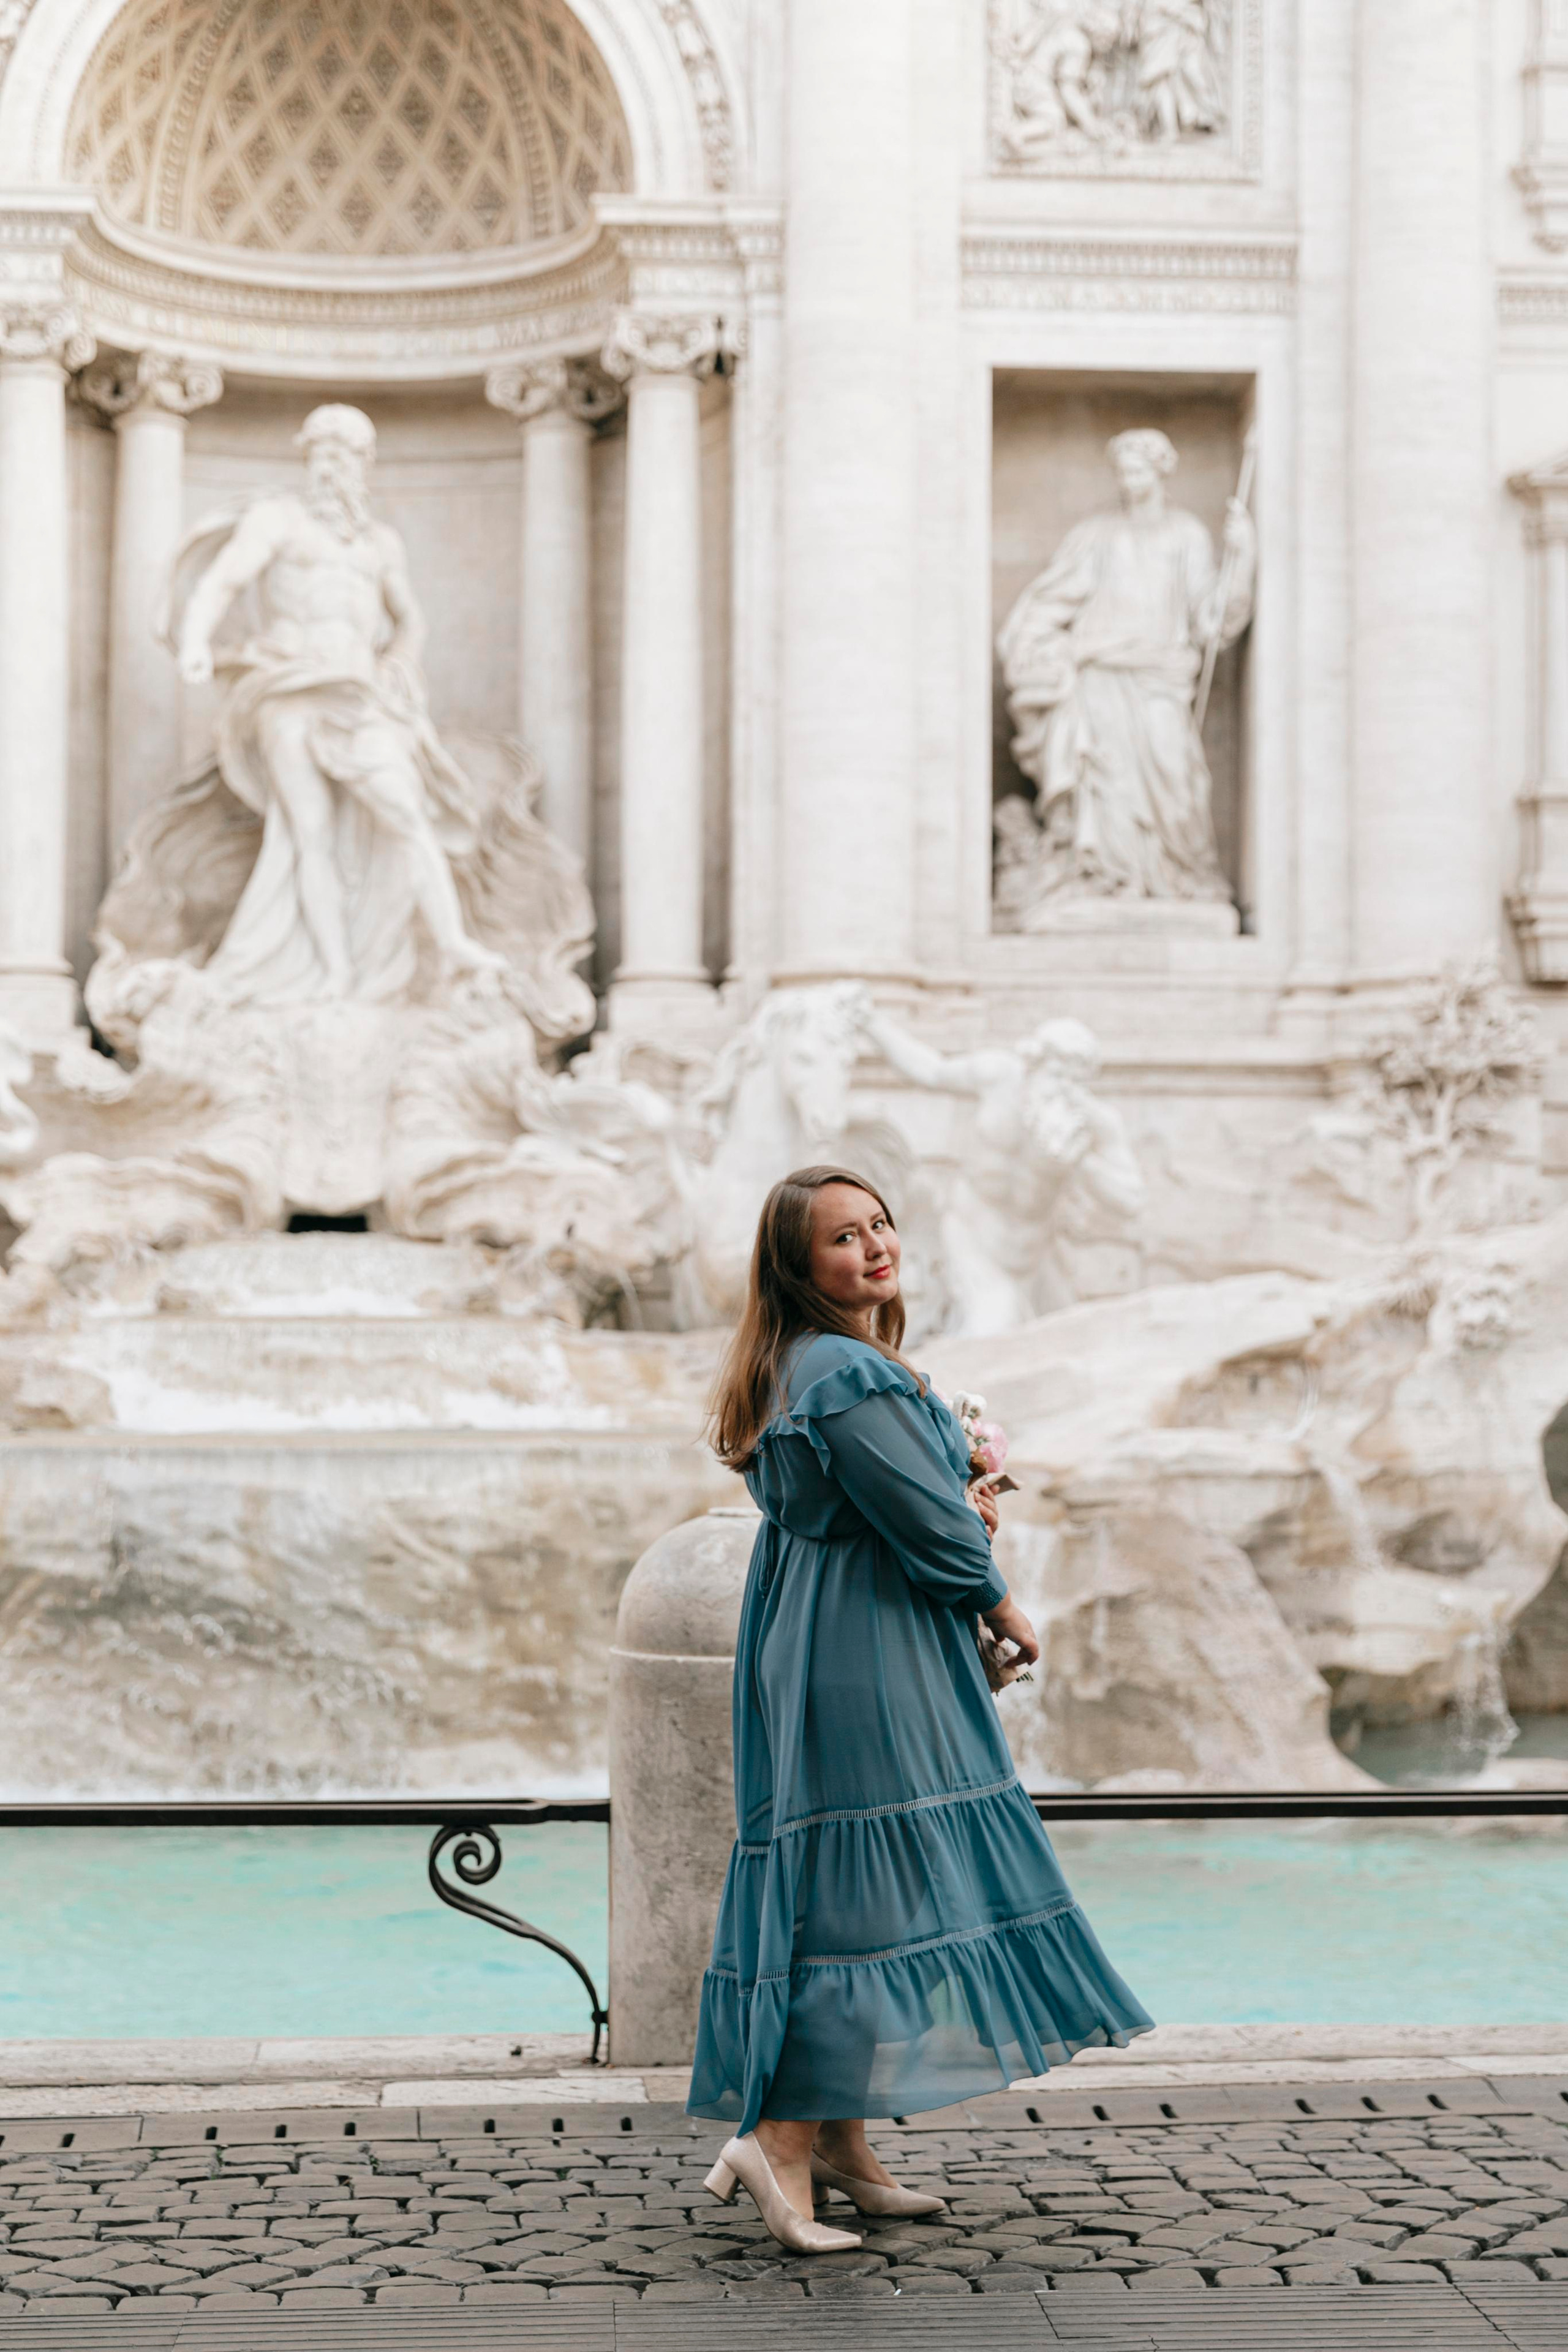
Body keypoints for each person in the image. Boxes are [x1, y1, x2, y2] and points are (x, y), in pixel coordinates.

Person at [686, 1165, 1151, 2252]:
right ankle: (779, 2139)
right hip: (869, 1650)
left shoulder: (797, 1363)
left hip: (822, 1635)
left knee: (850, 1886)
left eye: (880, 1225)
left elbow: (876, 1506)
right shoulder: (849, 1371)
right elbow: (929, 1528)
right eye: (844, 1238)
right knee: (860, 1899)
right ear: (799, 1266)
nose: (875, 1246)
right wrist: (1000, 1599)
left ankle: (838, 2142)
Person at [170, 403, 505, 1006]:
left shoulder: (380, 543)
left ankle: (453, 942)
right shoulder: (278, 520)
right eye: (322, 454)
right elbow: (222, 582)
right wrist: (195, 641)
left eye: (345, 455)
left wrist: (399, 663)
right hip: (287, 688)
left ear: (364, 464)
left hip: (357, 694)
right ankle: (336, 973)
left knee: (407, 812)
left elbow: (411, 620)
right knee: (310, 834)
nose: (332, 467)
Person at [996, 425, 1254, 911]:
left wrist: (1241, 559)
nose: (1129, 480)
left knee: (1174, 777)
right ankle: (1105, 878)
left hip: (1160, 676)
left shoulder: (1186, 535)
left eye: (1138, 471)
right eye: (1123, 472)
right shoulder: (1095, 536)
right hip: (1098, 675)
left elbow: (1211, 618)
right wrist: (1032, 644)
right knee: (1104, 783)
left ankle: (1181, 875)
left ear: (1160, 472)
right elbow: (1052, 600)